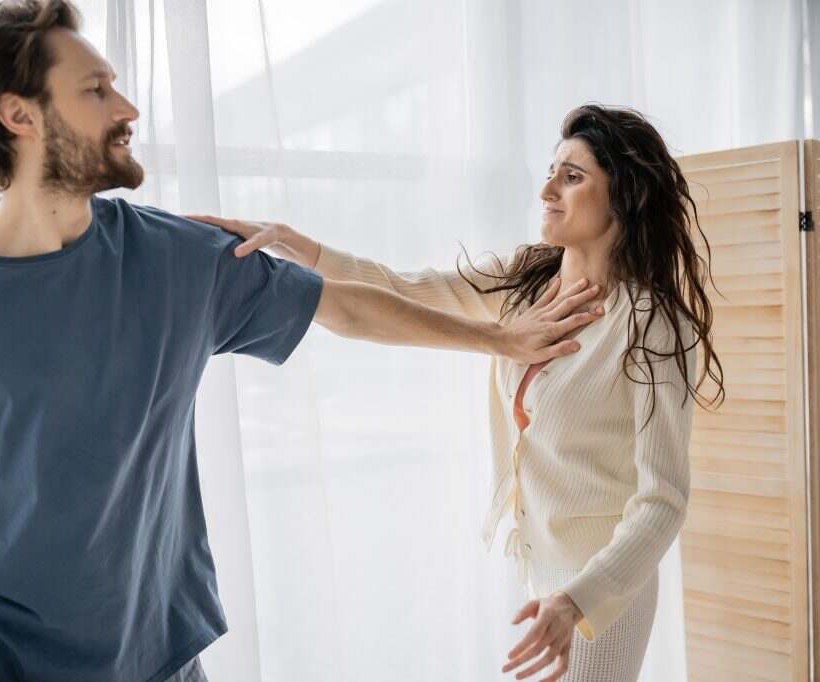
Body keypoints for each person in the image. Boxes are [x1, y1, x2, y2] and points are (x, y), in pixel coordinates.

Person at [0, 2, 605, 681]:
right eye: (95, 90)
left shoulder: (173, 259)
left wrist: (499, 337)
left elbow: (344, 308)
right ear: (19, 116)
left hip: (165, 665)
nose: (127, 106)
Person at [190, 104, 726, 682]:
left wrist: (578, 600)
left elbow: (662, 501)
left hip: (602, 593)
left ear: (624, 196)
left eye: (572, 176)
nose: (547, 188)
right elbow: (405, 289)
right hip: (539, 576)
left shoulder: (649, 323)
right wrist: (294, 245)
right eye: (550, 170)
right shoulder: (528, 278)